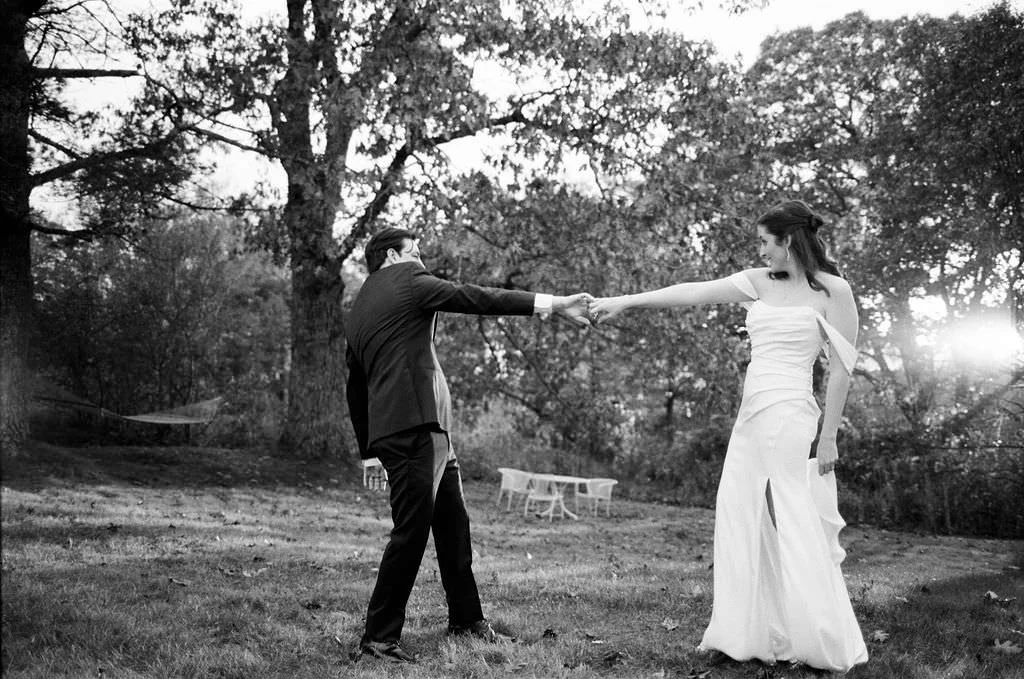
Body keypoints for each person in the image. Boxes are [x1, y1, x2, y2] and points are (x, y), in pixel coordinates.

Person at [588, 200, 868, 672]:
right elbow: (692, 292)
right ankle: (744, 634)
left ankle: (820, 638)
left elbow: (841, 370)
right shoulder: (758, 282)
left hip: (792, 411)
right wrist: (627, 301)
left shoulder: (833, 291)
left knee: (793, 515)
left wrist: (828, 437)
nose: (760, 249)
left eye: (765, 241)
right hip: (752, 414)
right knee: (739, 512)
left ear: (789, 241)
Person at [346, 227, 591, 664]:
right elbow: (474, 296)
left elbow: (355, 386)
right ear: (388, 257)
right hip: (416, 430)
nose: (421, 261)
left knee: (454, 529)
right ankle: (378, 638)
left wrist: (369, 447)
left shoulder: (361, 306)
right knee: (410, 533)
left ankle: (466, 619)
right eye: (414, 252)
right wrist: (553, 304)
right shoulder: (407, 281)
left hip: (421, 432)